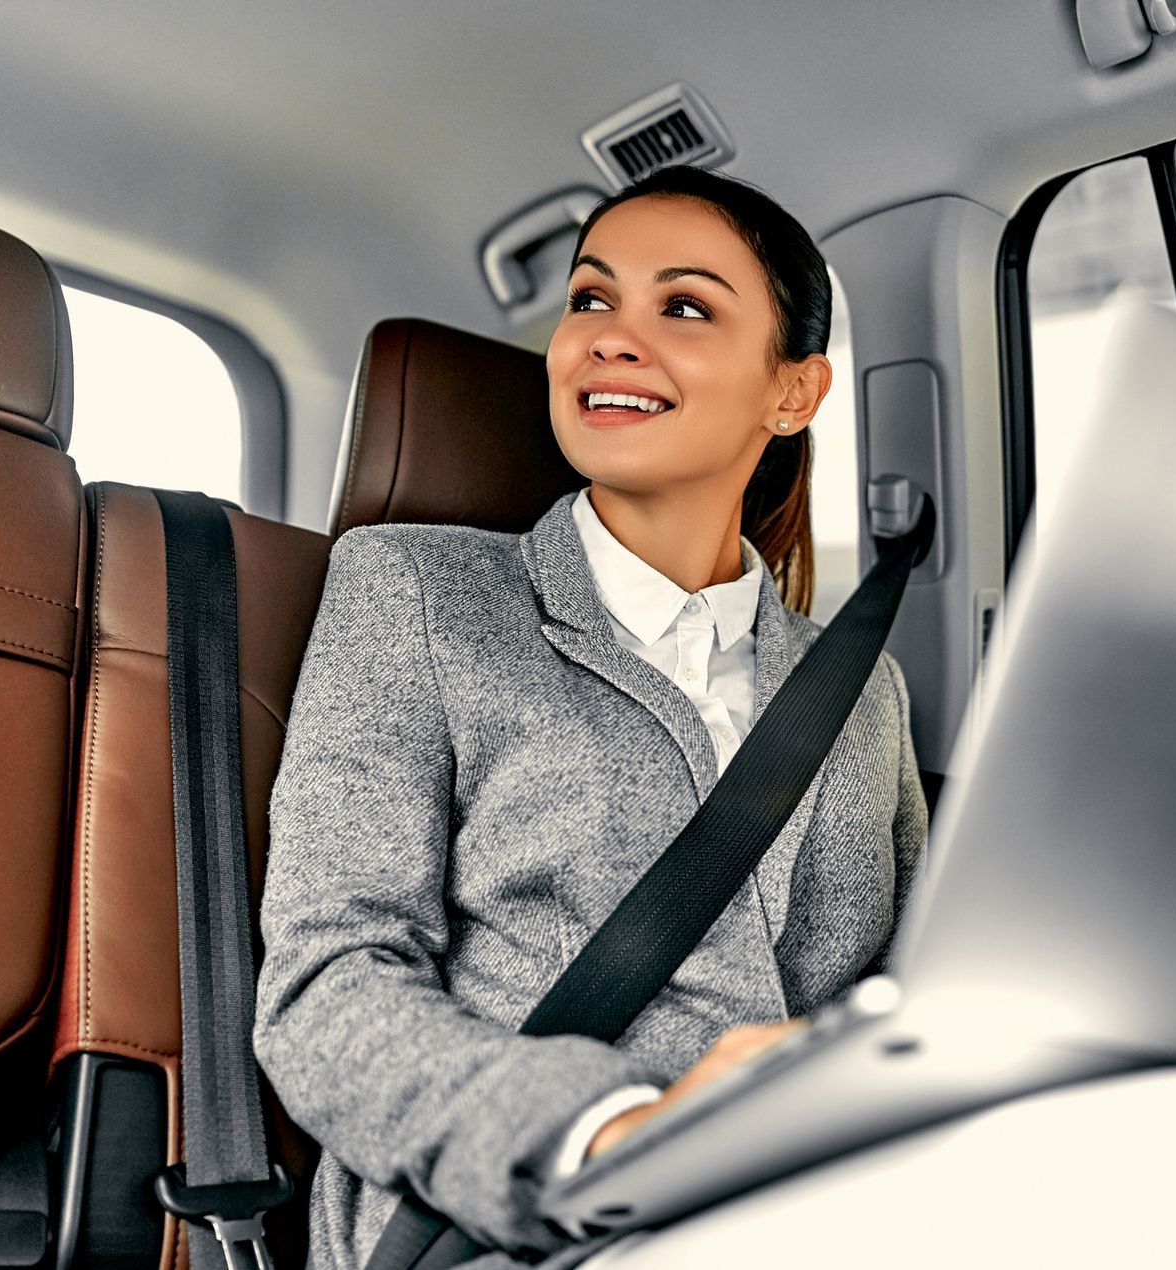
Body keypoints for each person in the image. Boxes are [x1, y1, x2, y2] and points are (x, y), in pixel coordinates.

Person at [253, 164, 929, 1270]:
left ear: (793, 394)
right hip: (514, 1225)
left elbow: (918, 982)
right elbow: (329, 988)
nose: (611, 335)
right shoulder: (414, 593)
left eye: (686, 307)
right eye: (590, 299)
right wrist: (614, 1132)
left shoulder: (864, 688)